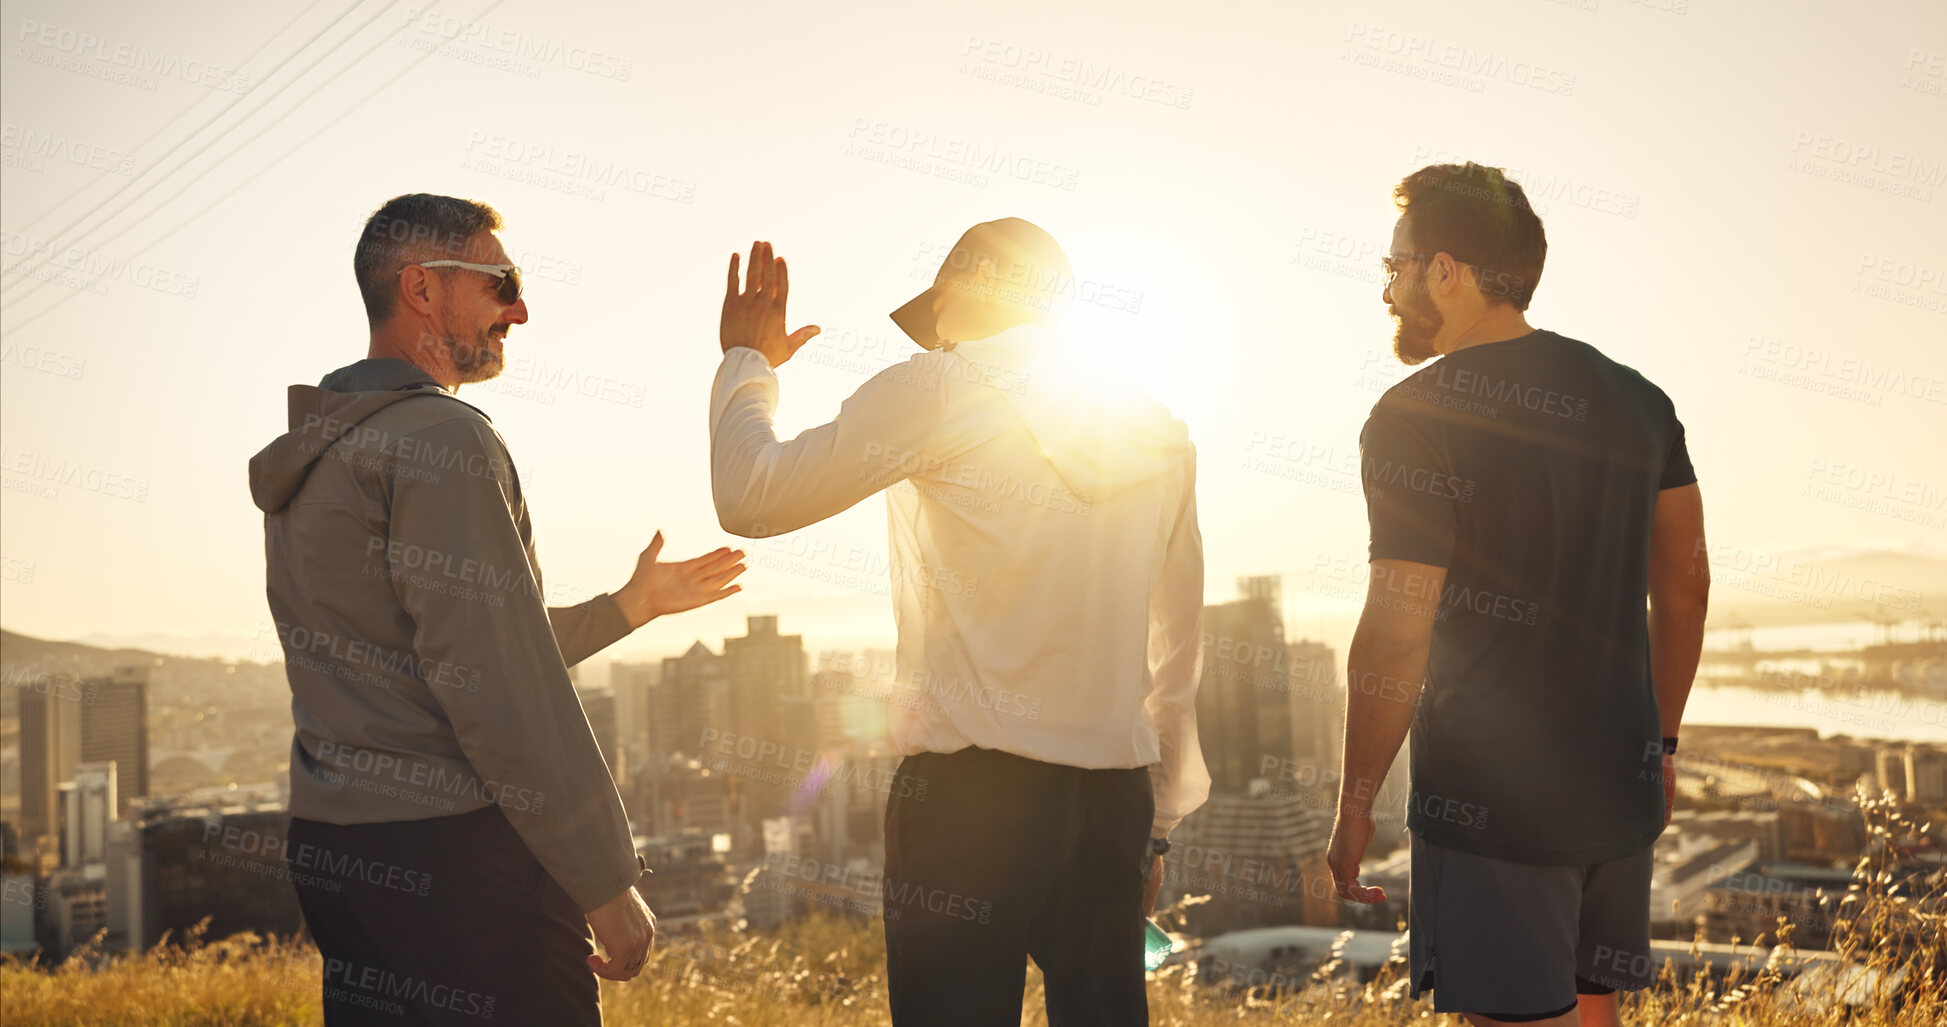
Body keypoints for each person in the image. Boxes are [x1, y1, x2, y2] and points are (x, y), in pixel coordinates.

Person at [248, 193, 746, 1025]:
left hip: (337, 852)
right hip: (456, 856)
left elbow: (442, 647)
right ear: (422, 289)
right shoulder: (444, 439)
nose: (519, 309)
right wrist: (604, 880)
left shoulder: (322, 449)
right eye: (500, 282)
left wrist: (628, 606)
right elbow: (496, 684)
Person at [707, 221, 1210, 1026]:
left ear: (968, 288)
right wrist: (1159, 819)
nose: (934, 328)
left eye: (937, 304)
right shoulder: (1153, 430)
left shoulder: (936, 389)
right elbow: (1175, 643)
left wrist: (748, 362)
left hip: (966, 800)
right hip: (1109, 798)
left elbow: (751, 497)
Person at [1324, 163, 1710, 1027]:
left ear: (1445, 270)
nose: (1387, 289)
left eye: (1395, 266)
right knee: (1590, 1014)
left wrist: (1354, 805)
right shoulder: (1638, 400)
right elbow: (1685, 591)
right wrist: (1665, 742)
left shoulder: (1414, 416)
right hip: (1619, 785)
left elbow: (1395, 633)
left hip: (1492, 805)